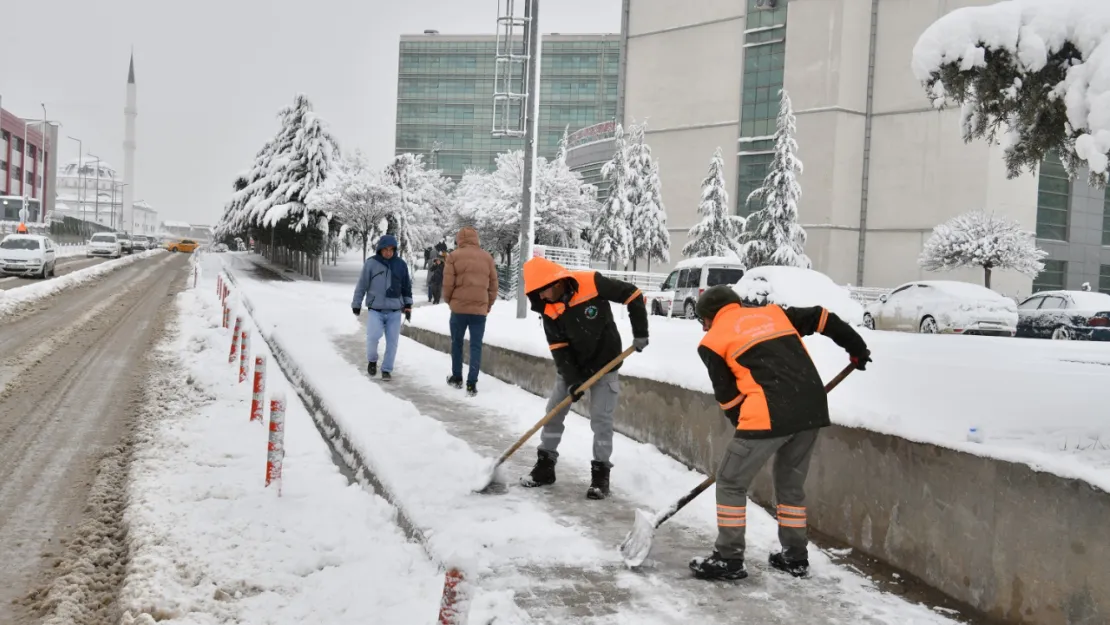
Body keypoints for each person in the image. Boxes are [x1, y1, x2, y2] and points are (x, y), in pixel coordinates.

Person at [688, 286, 871, 581]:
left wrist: (748, 433)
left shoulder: (711, 342)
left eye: (702, 320)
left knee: (731, 482)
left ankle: (728, 558)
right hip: (811, 409)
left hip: (766, 413)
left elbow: (730, 398)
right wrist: (857, 348)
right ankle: (795, 557)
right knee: (790, 485)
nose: (704, 326)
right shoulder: (774, 314)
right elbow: (822, 317)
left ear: (709, 317)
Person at [519, 256, 649, 500]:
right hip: (572, 368)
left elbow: (632, 294)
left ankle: (600, 476)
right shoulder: (548, 309)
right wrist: (572, 381)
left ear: (555, 282)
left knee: (601, 421)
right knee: (553, 413)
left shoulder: (592, 281)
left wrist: (640, 331)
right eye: (537, 294)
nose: (542, 298)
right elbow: (560, 349)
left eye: (543, 291)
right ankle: (545, 466)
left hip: (605, 365)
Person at [442, 227, 497, 396]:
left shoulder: (453, 256)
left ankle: (457, 377)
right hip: (479, 311)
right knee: (475, 346)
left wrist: (450, 301)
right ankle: (472, 383)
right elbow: (494, 286)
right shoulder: (487, 258)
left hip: (458, 310)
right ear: (476, 239)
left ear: (459, 239)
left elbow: (448, 284)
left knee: (457, 343)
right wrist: (487, 305)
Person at [351, 234, 413, 382]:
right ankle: (372, 361)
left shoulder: (400, 264)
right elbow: (362, 285)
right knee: (373, 337)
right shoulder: (371, 264)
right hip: (375, 309)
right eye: (385, 249)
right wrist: (356, 303)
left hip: (394, 311)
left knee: (392, 342)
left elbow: (406, 287)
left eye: (391, 249)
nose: (388, 252)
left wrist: (408, 305)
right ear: (380, 249)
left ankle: (386, 369)